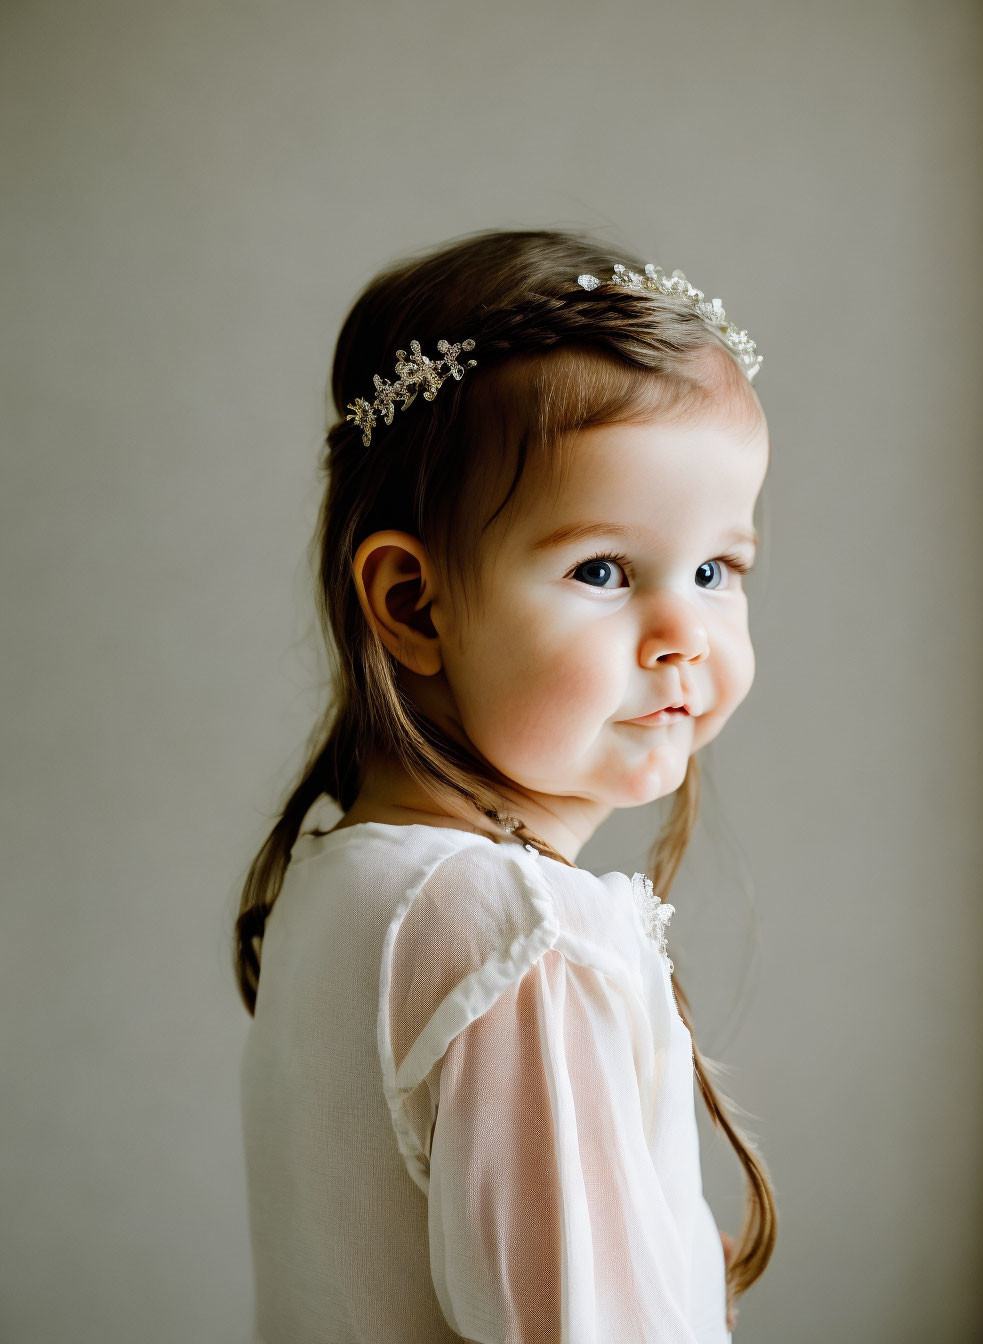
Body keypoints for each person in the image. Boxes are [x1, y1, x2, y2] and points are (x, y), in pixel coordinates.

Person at [234, 227, 778, 1343]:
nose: (685, 633)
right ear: (414, 603)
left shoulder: (339, 884)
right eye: (602, 571)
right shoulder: (518, 931)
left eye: (717, 569)